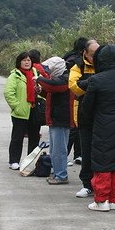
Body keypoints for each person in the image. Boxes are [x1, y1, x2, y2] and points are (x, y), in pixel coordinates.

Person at [82, 44, 115, 211]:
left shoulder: (96, 80)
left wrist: (86, 122)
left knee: (102, 163)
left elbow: (87, 107)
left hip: (103, 125)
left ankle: (101, 201)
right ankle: (113, 200)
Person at [69, 39, 100, 197]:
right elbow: (74, 87)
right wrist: (95, 82)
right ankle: (87, 184)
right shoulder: (78, 67)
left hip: (103, 116)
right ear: (85, 53)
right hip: (84, 116)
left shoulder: (106, 66)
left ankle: (100, 184)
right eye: (93, 54)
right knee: (86, 151)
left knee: (101, 152)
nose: (96, 58)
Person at [4, 51, 42, 170]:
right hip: (20, 112)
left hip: (34, 110)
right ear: (19, 62)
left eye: (29, 60)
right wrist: (16, 106)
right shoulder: (14, 76)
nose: (27, 62)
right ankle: (14, 161)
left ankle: (31, 161)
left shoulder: (35, 74)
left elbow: (41, 90)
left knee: (34, 137)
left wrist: (39, 90)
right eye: (24, 60)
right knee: (17, 137)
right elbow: (8, 93)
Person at [37, 56, 71, 185]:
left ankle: (61, 175)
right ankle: (57, 172)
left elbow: (54, 87)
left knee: (59, 149)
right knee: (54, 149)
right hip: (56, 118)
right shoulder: (58, 79)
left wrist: (39, 80)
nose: (47, 71)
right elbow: (51, 91)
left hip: (61, 119)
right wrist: (41, 91)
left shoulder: (64, 79)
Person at [63, 37, 88, 165]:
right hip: (76, 95)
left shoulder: (67, 57)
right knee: (75, 126)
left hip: (70, 94)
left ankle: (77, 154)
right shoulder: (78, 61)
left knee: (76, 126)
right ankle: (74, 154)